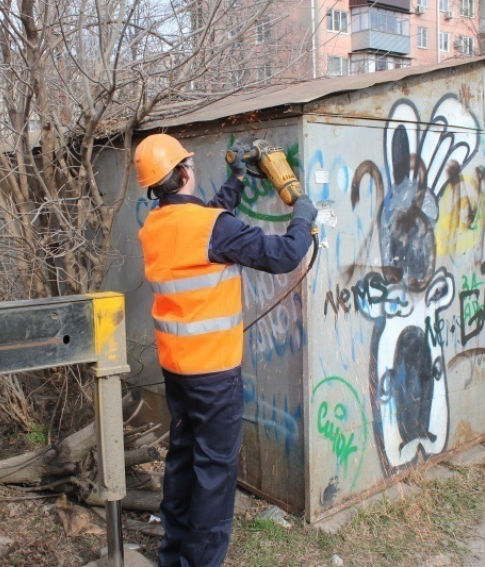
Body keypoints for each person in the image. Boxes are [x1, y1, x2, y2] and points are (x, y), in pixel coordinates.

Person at [135, 134, 317, 566]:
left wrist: (237, 179)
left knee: (182, 462)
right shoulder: (211, 229)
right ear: (183, 173)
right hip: (214, 374)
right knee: (215, 473)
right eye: (189, 166)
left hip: (177, 370)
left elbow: (209, 221)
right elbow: (285, 254)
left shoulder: (156, 227)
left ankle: (173, 556)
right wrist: (303, 210)